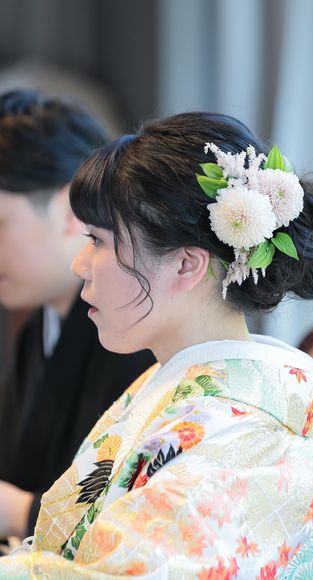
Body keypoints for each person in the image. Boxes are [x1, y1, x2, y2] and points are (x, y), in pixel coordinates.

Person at [0, 112, 313, 577]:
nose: (80, 265)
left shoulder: (226, 451)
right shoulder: (173, 399)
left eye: (98, 241)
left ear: (186, 265)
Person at [0, 89, 154, 542]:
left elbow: (132, 516)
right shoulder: (37, 327)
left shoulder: (134, 340)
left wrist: (20, 511)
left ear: (70, 208)